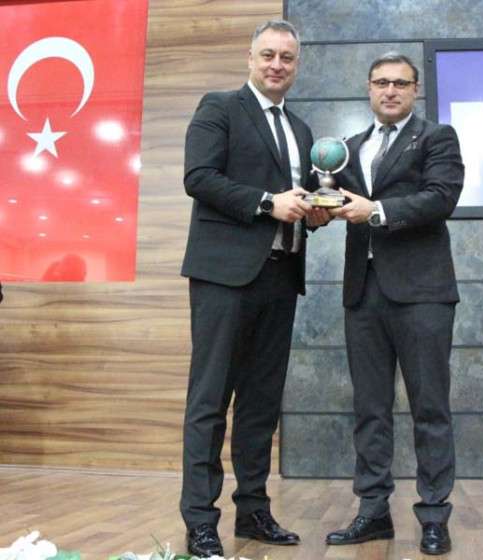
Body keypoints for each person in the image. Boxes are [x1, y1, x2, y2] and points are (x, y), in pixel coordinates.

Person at [179, 19, 327, 557]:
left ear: (297, 65)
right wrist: (268, 203)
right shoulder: (219, 107)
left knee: (261, 403)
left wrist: (314, 214)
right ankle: (200, 521)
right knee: (210, 400)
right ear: (250, 58)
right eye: (268, 55)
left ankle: (254, 511)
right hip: (224, 276)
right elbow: (199, 177)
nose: (277, 65)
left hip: (281, 277)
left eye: (287, 57)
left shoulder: (302, 130)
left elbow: (298, 199)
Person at [325, 53, 464, 556]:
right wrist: (318, 211)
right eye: (381, 82)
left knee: (430, 407)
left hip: (423, 293)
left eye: (400, 83)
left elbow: (442, 197)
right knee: (369, 409)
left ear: (415, 89)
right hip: (363, 292)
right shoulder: (348, 148)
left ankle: (434, 515)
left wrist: (377, 211)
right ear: (368, 88)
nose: (390, 91)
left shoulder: (436, 138)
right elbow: (336, 202)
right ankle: (373, 512)